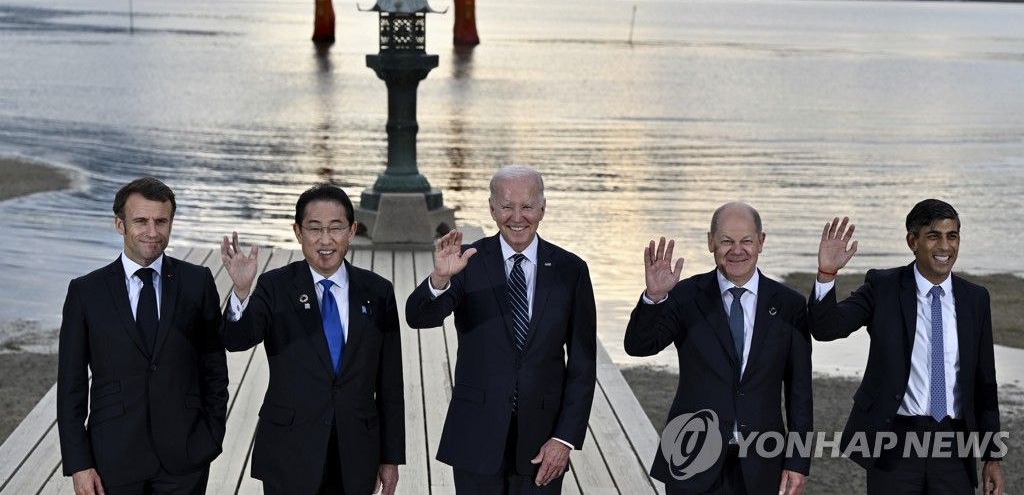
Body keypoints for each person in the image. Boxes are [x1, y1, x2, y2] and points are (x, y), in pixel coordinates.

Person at [405, 165, 597, 494]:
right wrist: (439, 280)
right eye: (507, 206)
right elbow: (419, 317)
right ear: (492, 208)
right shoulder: (466, 262)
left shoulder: (571, 270)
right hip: (474, 436)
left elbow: (582, 365)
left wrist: (564, 439)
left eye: (527, 206)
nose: (517, 217)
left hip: (543, 441)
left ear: (542, 208)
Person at [810, 199, 1004, 495]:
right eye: (933, 236)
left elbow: (985, 381)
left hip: (953, 445)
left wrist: (992, 456)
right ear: (912, 241)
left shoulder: (975, 298)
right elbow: (826, 329)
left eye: (952, 236)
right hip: (895, 442)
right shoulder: (882, 286)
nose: (945, 246)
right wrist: (827, 275)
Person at [221, 183, 404, 495]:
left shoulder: (378, 291)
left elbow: (390, 382)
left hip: (356, 449)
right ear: (297, 232)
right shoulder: (275, 286)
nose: (325, 240)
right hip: (289, 447)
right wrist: (241, 292)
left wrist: (391, 457)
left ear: (352, 231)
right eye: (314, 228)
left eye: (336, 228)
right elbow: (238, 339)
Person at [623, 201, 812, 495]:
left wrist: (798, 462)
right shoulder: (683, 296)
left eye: (746, 241)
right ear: (711, 242)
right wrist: (653, 298)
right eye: (726, 241)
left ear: (761, 242)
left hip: (762, 460)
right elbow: (639, 347)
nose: (737, 250)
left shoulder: (790, 305)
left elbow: (800, 393)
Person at [57, 176, 228, 495]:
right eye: (141, 221)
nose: (152, 231)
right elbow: (71, 387)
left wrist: (210, 437)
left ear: (171, 223)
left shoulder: (197, 282)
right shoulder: (86, 292)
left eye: (161, 221)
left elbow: (214, 369)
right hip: (113, 456)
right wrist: (79, 463)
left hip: (186, 455)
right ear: (120, 225)